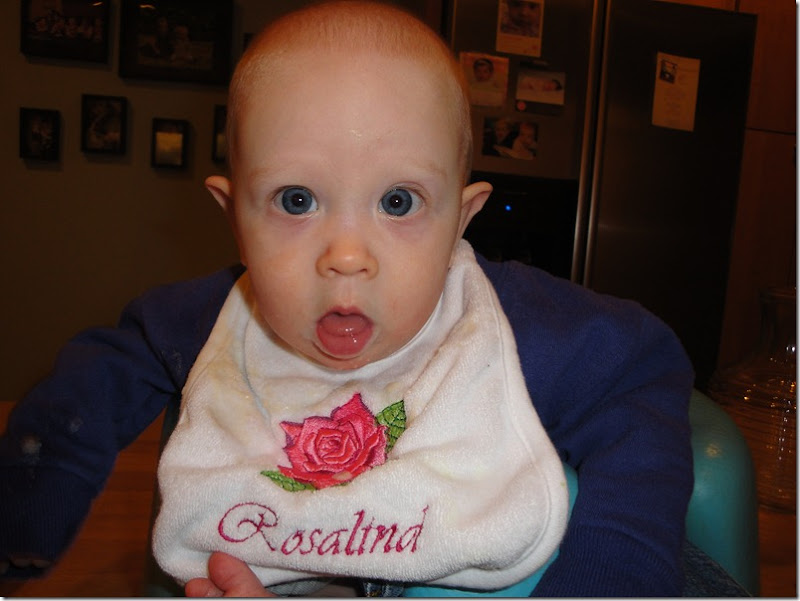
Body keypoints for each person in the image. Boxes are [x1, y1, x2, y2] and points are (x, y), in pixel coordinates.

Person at [1, 1, 731, 597]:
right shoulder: (213, 318)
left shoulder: (513, 321)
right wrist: (33, 492)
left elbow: (644, 370)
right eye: (296, 199)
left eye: (398, 201)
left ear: (462, 219)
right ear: (234, 217)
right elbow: (102, 367)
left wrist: (614, 569)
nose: (346, 255)